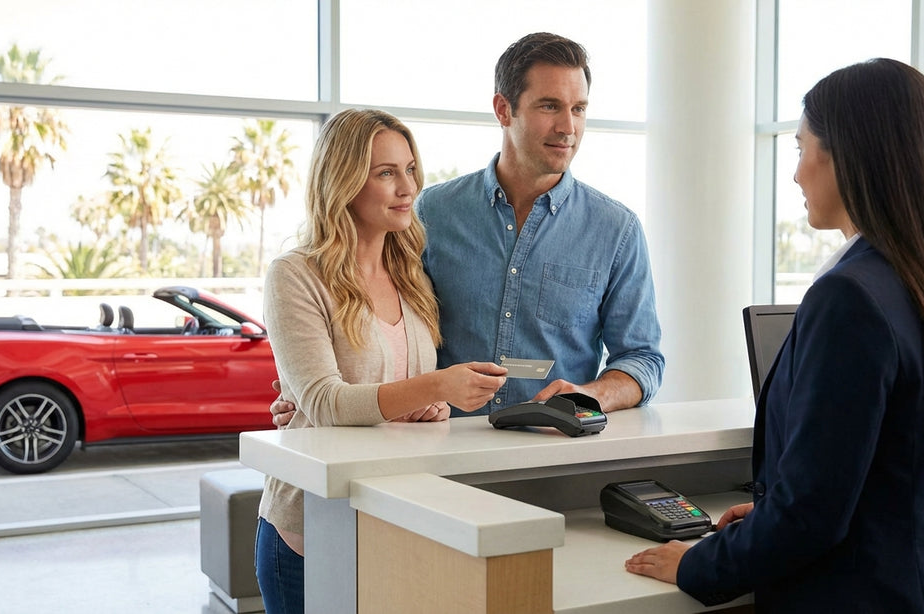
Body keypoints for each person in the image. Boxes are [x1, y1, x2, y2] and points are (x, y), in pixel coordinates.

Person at [625, 58, 924, 612]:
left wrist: (697, 563)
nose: (796, 172)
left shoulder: (851, 297)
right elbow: (902, 464)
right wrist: (774, 512)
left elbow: (812, 516)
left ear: (845, 154)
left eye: (801, 148)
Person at [270, 32, 664, 426]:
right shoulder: (430, 213)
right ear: (503, 109)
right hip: (440, 452)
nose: (568, 126)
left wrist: (592, 395)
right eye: (550, 106)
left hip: (555, 449)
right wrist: (309, 395)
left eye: (578, 109)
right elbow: (367, 322)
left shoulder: (616, 230)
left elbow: (643, 358)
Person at [254, 108, 507, 614]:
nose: (407, 187)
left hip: (397, 516)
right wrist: (435, 389)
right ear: (343, 181)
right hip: (312, 526)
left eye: (410, 169)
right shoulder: (295, 275)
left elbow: (397, 394)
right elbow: (325, 402)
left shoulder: (412, 276)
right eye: (386, 173)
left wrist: (431, 408)